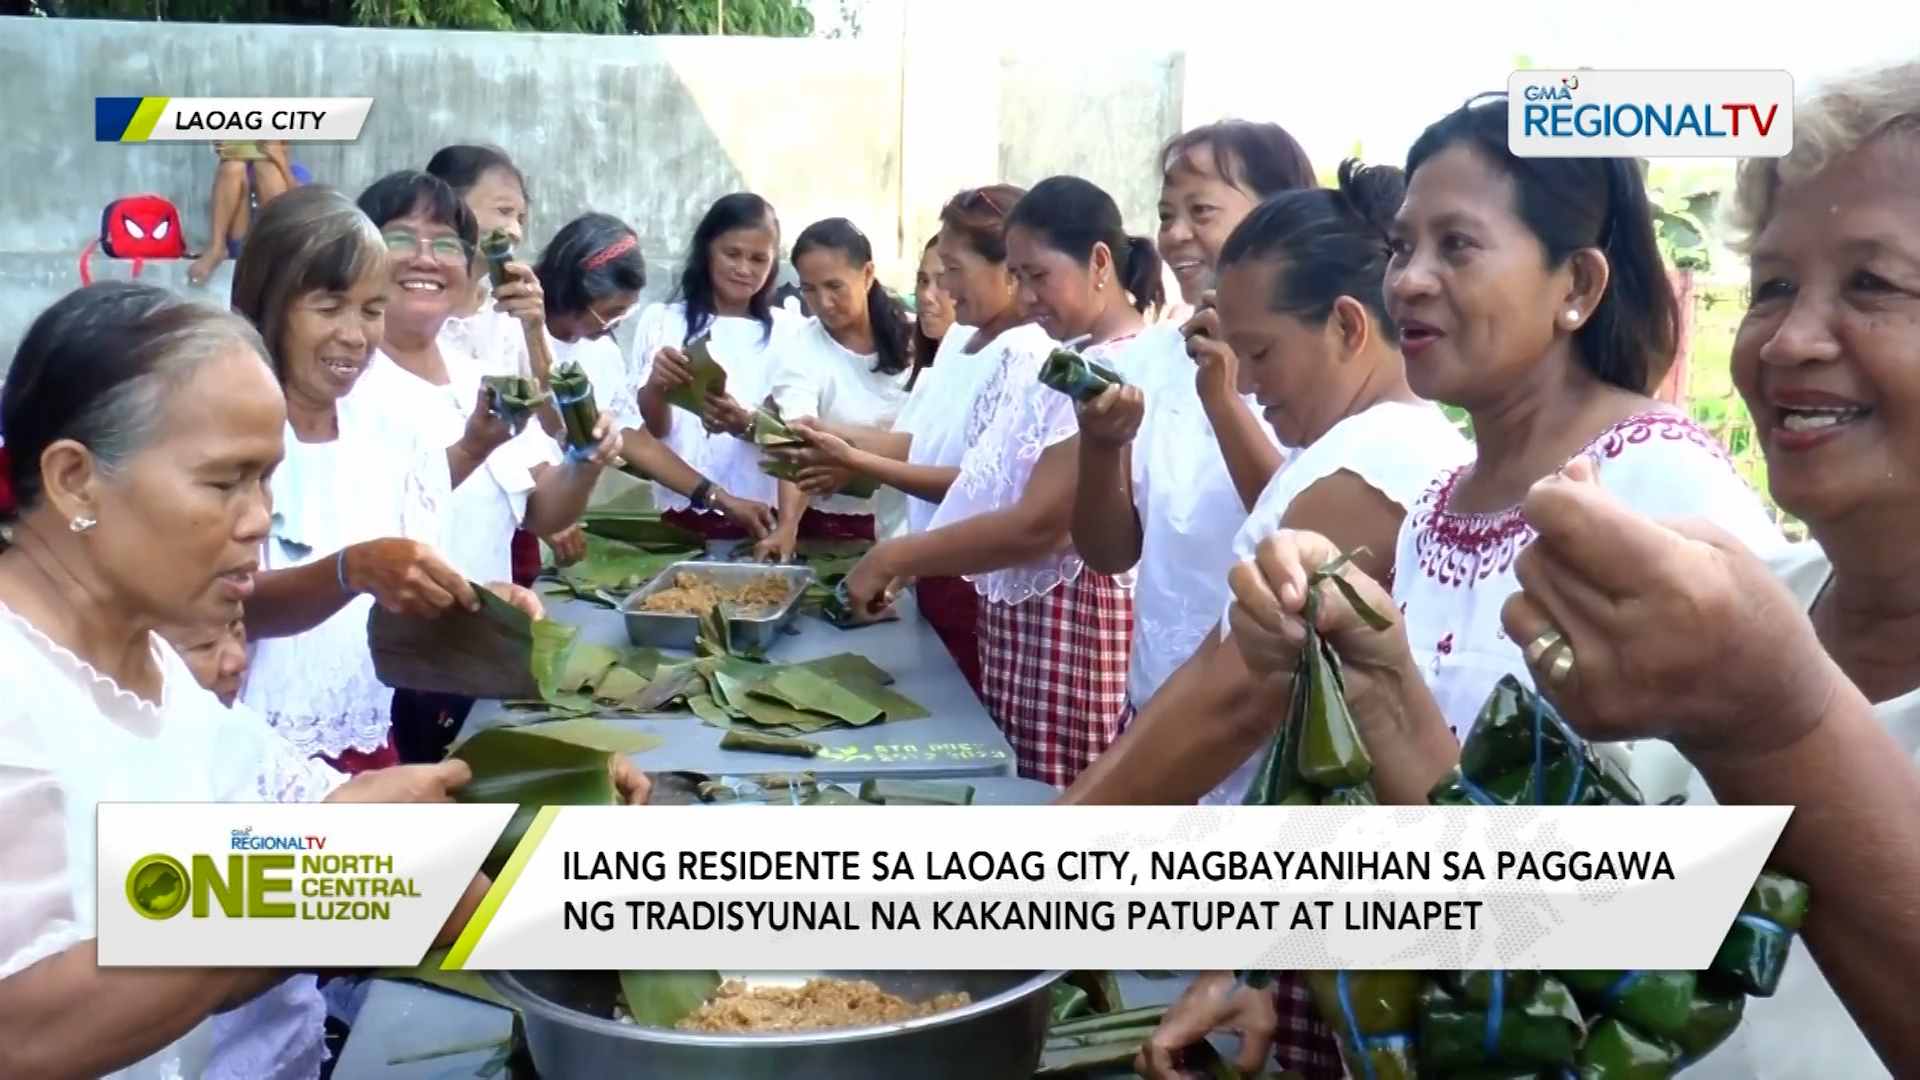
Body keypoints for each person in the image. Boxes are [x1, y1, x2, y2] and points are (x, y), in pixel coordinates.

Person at [1474, 61, 1920, 1079]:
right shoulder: (1747, 608)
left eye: (1874, 285)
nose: (1789, 340)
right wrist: (1375, 697)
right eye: (1771, 286)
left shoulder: (1740, 652)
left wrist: (1779, 727)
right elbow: (1561, 937)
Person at [0, 283, 485, 1080]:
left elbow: (208, 950)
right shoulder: (16, 684)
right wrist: (315, 875)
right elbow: (21, 1030)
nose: (260, 517)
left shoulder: (151, 668)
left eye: (266, 480)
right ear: (75, 481)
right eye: (226, 481)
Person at [824, 177, 1145, 788]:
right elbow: (986, 484)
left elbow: (1040, 526)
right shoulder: (1067, 353)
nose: (1024, 299)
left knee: (1054, 813)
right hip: (1024, 628)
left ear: (1098, 262)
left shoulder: (1117, 367)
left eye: (1036, 277)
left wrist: (895, 554)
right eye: (1017, 278)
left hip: (1066, 637)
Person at [227, 185, 538, 773]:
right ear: (267, 302)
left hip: (370, 750)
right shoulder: (223, 440)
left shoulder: (400, 439)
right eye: (328, 307)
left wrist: (477, 603)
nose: (354, 334)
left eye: (371, 310)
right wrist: (351, 570)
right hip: (243, 761)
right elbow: (222, 606)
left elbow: (401, 602)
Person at [350, 170, 619, 764]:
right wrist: (471, 448)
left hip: (478, 665)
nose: (427, 258)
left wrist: (586, 459)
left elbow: (545, 507)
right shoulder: (346, 383)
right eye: (401, 238)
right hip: (385, 681)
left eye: (446, 244)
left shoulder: (477, 377)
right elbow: (369, 522)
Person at [1069, 121, 1314, 733]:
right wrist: (1102, 447)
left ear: (1278, 217)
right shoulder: (1147, 360)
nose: (1176, 235)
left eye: (1200, 210)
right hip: (1160, 700)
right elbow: (1109, 553)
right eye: (1165, 214)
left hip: (1266, 720)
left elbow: (1305, 539)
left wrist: (1225, 400)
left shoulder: (1317, 361)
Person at [158, 615, 333, 1080]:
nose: (236, 659)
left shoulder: (233, 727)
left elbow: (326, 797)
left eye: (238, 631)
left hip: (283, 1047)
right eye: (200, 644)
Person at [533, 212, 775, 538]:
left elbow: (635, 439)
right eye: (610, 312)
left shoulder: (599, 351)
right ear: (573, 293)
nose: (615, 324)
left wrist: (720, 498)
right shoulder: (510, 332)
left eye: (625, 312)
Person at [423, 145, 570, 584]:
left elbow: (556, 420)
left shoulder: (512, 308)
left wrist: (533, 330)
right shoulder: (411, 307)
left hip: (501, 522)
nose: (514, 232)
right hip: (427, 522)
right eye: (503, 211)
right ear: (446, 208)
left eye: (521, 218)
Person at [632, 192, 801, 537]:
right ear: (707, 249)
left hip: (764, 517)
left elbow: (798, 440)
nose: (743, 269)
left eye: (758, 259)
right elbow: (652, 430)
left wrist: (747, 424)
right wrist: (657, 386)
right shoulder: (663, 322)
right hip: (683, 510)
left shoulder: (791, 333)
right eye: (732, 254)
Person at [756, 217, 916, 559]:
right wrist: (786, 528)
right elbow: (799, 440)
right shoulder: (800, 351)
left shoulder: (921, 340)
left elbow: (935, 441)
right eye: (809, 289)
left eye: (835, 286)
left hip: (914, 522)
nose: (823, 302)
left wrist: (854, 463)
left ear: (868, 274)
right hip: (830, 528)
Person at [187, 140, 310, 286]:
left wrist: (281, 162)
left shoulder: (295, 172)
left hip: (275, 244)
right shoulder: (241, 171)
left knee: (266, 169)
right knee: (233, 167)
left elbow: (303, 208)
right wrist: (226, 152)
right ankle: (216, 247)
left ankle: (274, 249)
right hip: (242, 241)